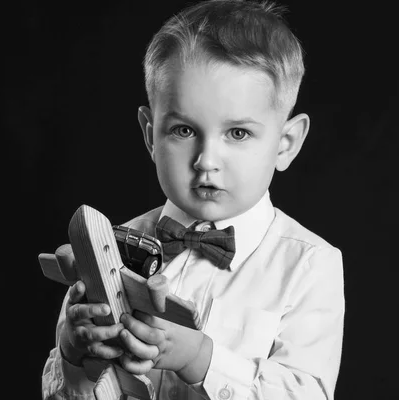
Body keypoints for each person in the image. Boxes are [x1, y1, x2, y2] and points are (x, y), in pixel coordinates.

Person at [42, 0, 345, 398]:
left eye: (237, 133)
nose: (206, 162)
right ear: (151, 135)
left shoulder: (309, 265)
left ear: (285, 144)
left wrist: (200, 358)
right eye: (184, 131)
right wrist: (74, 356)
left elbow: (306, 393)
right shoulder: (106, 246)